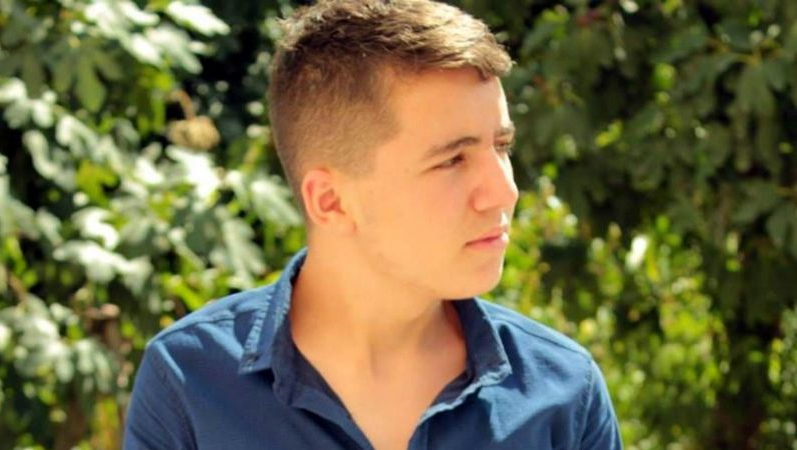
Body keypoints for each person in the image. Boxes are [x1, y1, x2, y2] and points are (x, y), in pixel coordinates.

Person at [123, 1, 623, 449]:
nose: (504, 191)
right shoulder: (189, 382)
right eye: (452, 160)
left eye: (501, 147)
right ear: (331, 201)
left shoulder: (564, 393)